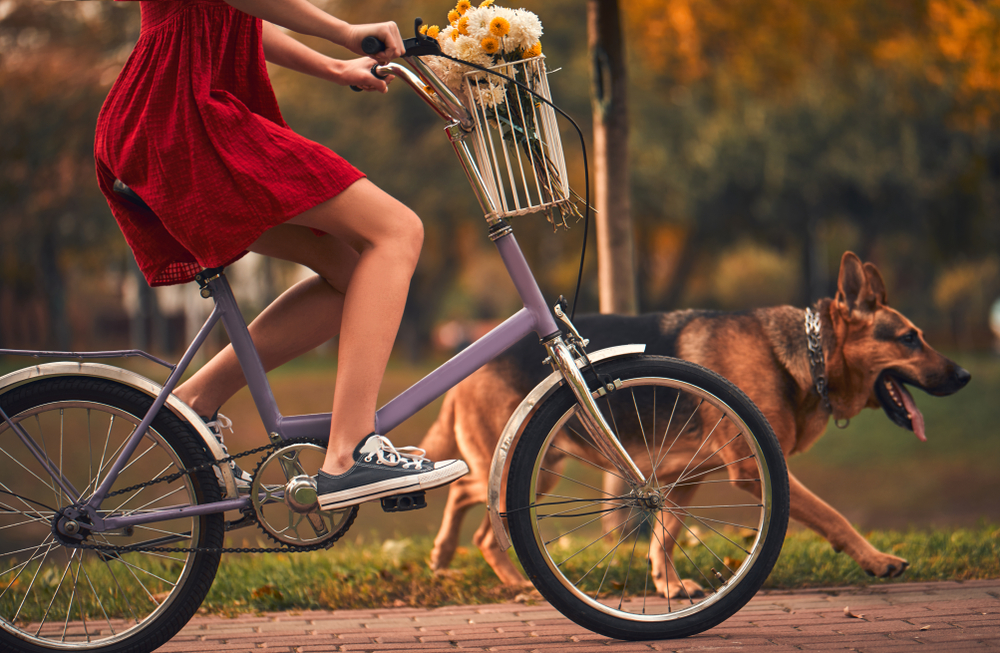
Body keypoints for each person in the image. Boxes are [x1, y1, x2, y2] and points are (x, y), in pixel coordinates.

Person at [94, 0, 468, 510]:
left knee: (355, 274)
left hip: (174, 113)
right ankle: (351, 451)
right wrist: (342, 31)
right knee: (397, 231)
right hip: (183, 114)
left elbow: (236, 18)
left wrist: (336, 65)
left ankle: (193, 405)